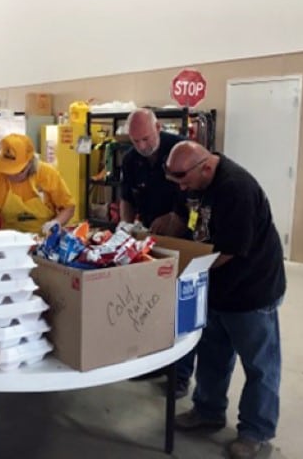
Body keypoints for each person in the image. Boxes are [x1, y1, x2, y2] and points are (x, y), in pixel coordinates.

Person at [166, 141, 286, 459]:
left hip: (252, 288)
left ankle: (255, 431)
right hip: (215, 286)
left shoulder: (238, 189)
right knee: (212, 352)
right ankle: (207, 411)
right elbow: (181, 216)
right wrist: (160, 239)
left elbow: (228, 251)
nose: (180, 186)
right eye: (175, 179)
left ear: (206, 167)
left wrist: (182, 268)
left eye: (183, 179)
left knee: (260, 364)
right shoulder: (188, 177)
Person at [121, 108, 194, 398]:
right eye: (135, 140)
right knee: (152, 303)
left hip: (183, 235)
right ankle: (155, 362)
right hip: (149, 237)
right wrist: (125, 227)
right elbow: (126, 197)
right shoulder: (130, 159)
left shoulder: (182, 151)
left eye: (146, 138)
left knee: (181, 306)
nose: (141, 146)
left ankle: (182, 375)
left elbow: (198, 194)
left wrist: (178, 217)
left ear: (159, 127)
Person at [0, 133, 75, 234]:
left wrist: (56, 223)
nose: (11, 175)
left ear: (30, 163)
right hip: (9, 242)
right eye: (7, 171)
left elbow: (68, 207)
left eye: (17, 171)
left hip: (45, 240)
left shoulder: (48, 174)